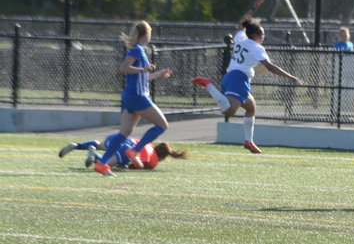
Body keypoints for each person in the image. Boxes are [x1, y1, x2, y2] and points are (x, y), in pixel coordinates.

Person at [192, 18, 303, 153]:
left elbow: (241, 25)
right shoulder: (257, 47)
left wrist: (252, 10)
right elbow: (270, 67)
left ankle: (248, 141)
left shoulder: (241, 38)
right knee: (229, 111)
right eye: (262, 34)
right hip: (238, 79)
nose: (264, 37)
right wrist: (290, 77)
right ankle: (209, 85)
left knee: (251, 107)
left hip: (232, 77)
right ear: (255, 35)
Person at [94, 20, 173, 177]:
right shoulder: (137, 50)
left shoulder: (140, 50)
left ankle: (102, 163)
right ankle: (134, 151)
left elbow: (141, 77)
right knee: (162, 125)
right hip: (138, 96)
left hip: (130, 96)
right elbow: (124, 68)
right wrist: (143, 68)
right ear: (147, 34)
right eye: (150, 33)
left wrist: (158, 74)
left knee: (124, 133)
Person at [59, 135, 187, 170]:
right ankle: (94, 155)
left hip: (123, 137)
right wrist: (128, 166)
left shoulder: (149, 145)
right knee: (105, 163)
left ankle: (77, 146)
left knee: (98, 144)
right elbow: (139, 164)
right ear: (163, 156)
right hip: (126, 150)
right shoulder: (153, 160)